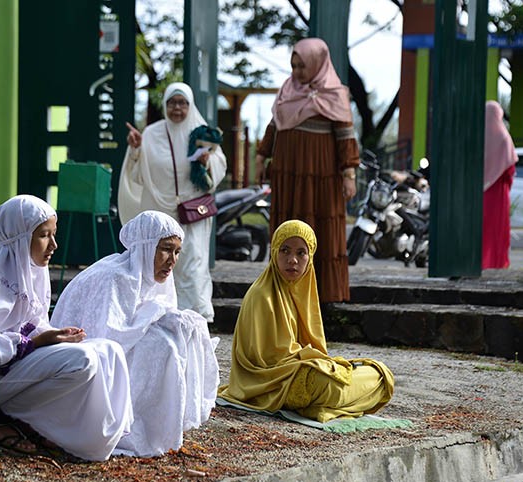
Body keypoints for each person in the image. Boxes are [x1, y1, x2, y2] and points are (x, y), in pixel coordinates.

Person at [0, 195, 133, 462]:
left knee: (109, 350)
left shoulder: (31, 268)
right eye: (44, 235)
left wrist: (52, 336)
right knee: (83, 361)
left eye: (53, 234)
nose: (54, 245)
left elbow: (31, 323)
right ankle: (7, 421)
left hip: (7, 367)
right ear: (21, 237)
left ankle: (98, 436)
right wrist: (33, 343)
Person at [51, 210, 220, 457]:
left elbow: (155, 315)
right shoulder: (115, 277)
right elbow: (106, 338)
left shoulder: (157, 279)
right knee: (163, 347)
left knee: (180, 336)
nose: (172, 260)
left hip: (121, 351)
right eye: (165, 249)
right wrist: (156, 317)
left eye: (176, 252)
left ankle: (158, 428)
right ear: (145, 246)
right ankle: (130, 426)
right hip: (87, 368)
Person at [218, 220, 394, 423]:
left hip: (303, 369)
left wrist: (321, 363)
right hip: (273, 382)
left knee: (381, 375)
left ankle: (323, 403)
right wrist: (316, 362)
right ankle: (327, 401)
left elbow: (313, 348)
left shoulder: (303, 291)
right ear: (274, 252)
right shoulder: (261, 294)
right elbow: (269, 359)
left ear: (310, 258)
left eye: (301, 253)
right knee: (328, 384)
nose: (292, 260)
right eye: (285, 250)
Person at [254, 37, 360, 304]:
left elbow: (345, 135)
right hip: (288, 173)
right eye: (294, 66)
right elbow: (275, 125)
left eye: (302, 66)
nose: (298, 72)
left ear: (317, 63)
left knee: (319, 227)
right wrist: (261, 156)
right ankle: (283, 291)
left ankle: (323, 295)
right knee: (287, 227)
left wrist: (349, 174)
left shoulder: (334, 93)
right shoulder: (287, 90)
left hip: (321, 176)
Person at [118, 82, 227, 322]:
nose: (177, 108)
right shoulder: (151, 134)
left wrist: (208, 161)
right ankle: (160, 316)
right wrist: (135, 150)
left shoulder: (202, 133)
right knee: (159, 263)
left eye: (182, 103)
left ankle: (192, 319)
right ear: (165, 105)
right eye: (172, 103)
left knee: (192, 264)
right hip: (160, 209)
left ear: (190, 105)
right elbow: (137, 175)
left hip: (192, 211)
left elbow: (219, 166)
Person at [482, 100, 518, 270]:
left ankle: (481, 261)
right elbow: (510, 169)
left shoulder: (479, 137)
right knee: (498, 229)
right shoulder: (504, 138)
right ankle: (497, 262)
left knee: (483, 230)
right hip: (499, 193)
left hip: (482, 193)